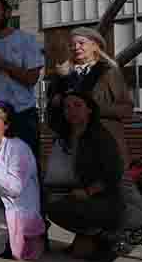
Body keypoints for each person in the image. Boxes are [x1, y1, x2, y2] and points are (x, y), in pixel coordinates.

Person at [45, 92, 142, 262]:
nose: (71, 110)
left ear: (89, 110)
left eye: (77, 105)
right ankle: (95, 237)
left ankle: (116, 236)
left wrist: (88, 191)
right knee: (51, 204)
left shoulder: (100, 136)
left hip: (124, 206)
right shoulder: (67, 138)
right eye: (67, 107)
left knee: (61, 207)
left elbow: (114, 174)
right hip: (96, 203)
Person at [46, 27, 134, 164]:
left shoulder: (109, 72)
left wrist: (91, 109)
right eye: (72, 44)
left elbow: (126, 109)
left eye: (81, 43)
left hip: (104, 142)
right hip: (71, 143)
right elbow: (52, 108)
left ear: (95, 45)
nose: (76, 47)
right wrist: (57, 103)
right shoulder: (62, 75)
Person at [0, 102, 44, 260]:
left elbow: (15, 188)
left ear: (6, 125)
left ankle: (16, 242)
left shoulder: (18, 149)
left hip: (6, 213)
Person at [0, 0, 45, 162]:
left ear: (7, 13)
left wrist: (1, 62)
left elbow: (31, 78)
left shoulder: (26, 40)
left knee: (25, 171)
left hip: (21, 117)